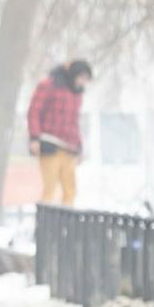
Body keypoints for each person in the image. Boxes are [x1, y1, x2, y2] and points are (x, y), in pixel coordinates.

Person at [26, 58, 91, 205]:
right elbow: (34, 112)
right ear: (74, 74)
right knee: (50, 188)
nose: (83, 82)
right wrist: (34, 138)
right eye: (82, 77)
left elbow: (74, 121)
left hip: (69, 148)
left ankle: (67, 224)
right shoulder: (48, 85)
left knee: (70, 189)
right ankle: (45, 223)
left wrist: (79, 147)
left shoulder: (77, 94)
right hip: (50, 144)